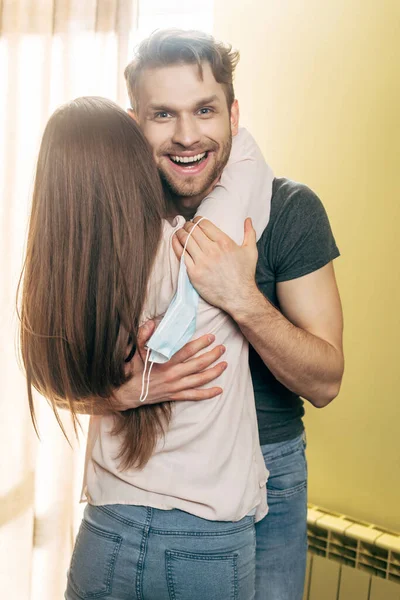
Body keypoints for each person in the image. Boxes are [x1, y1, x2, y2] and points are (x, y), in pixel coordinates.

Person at [116, 29, 344, 600]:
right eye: (162, 114)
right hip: (152, 470)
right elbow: (62, 371)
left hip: (272, 465)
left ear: (233, 114)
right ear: (133, 121)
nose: (187, 135)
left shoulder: (290, 209)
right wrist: (123, 391)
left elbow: (326, 381)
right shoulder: (119, 220)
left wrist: (239, 295)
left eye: (205, 110)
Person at [19, 91, 275, 598]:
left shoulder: (60, 289)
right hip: (205, 541)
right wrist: (208, 119)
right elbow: (246, 156)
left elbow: (52, 381)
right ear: (132, 169)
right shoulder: (195, 250)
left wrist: (122, 392)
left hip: (106, 532)